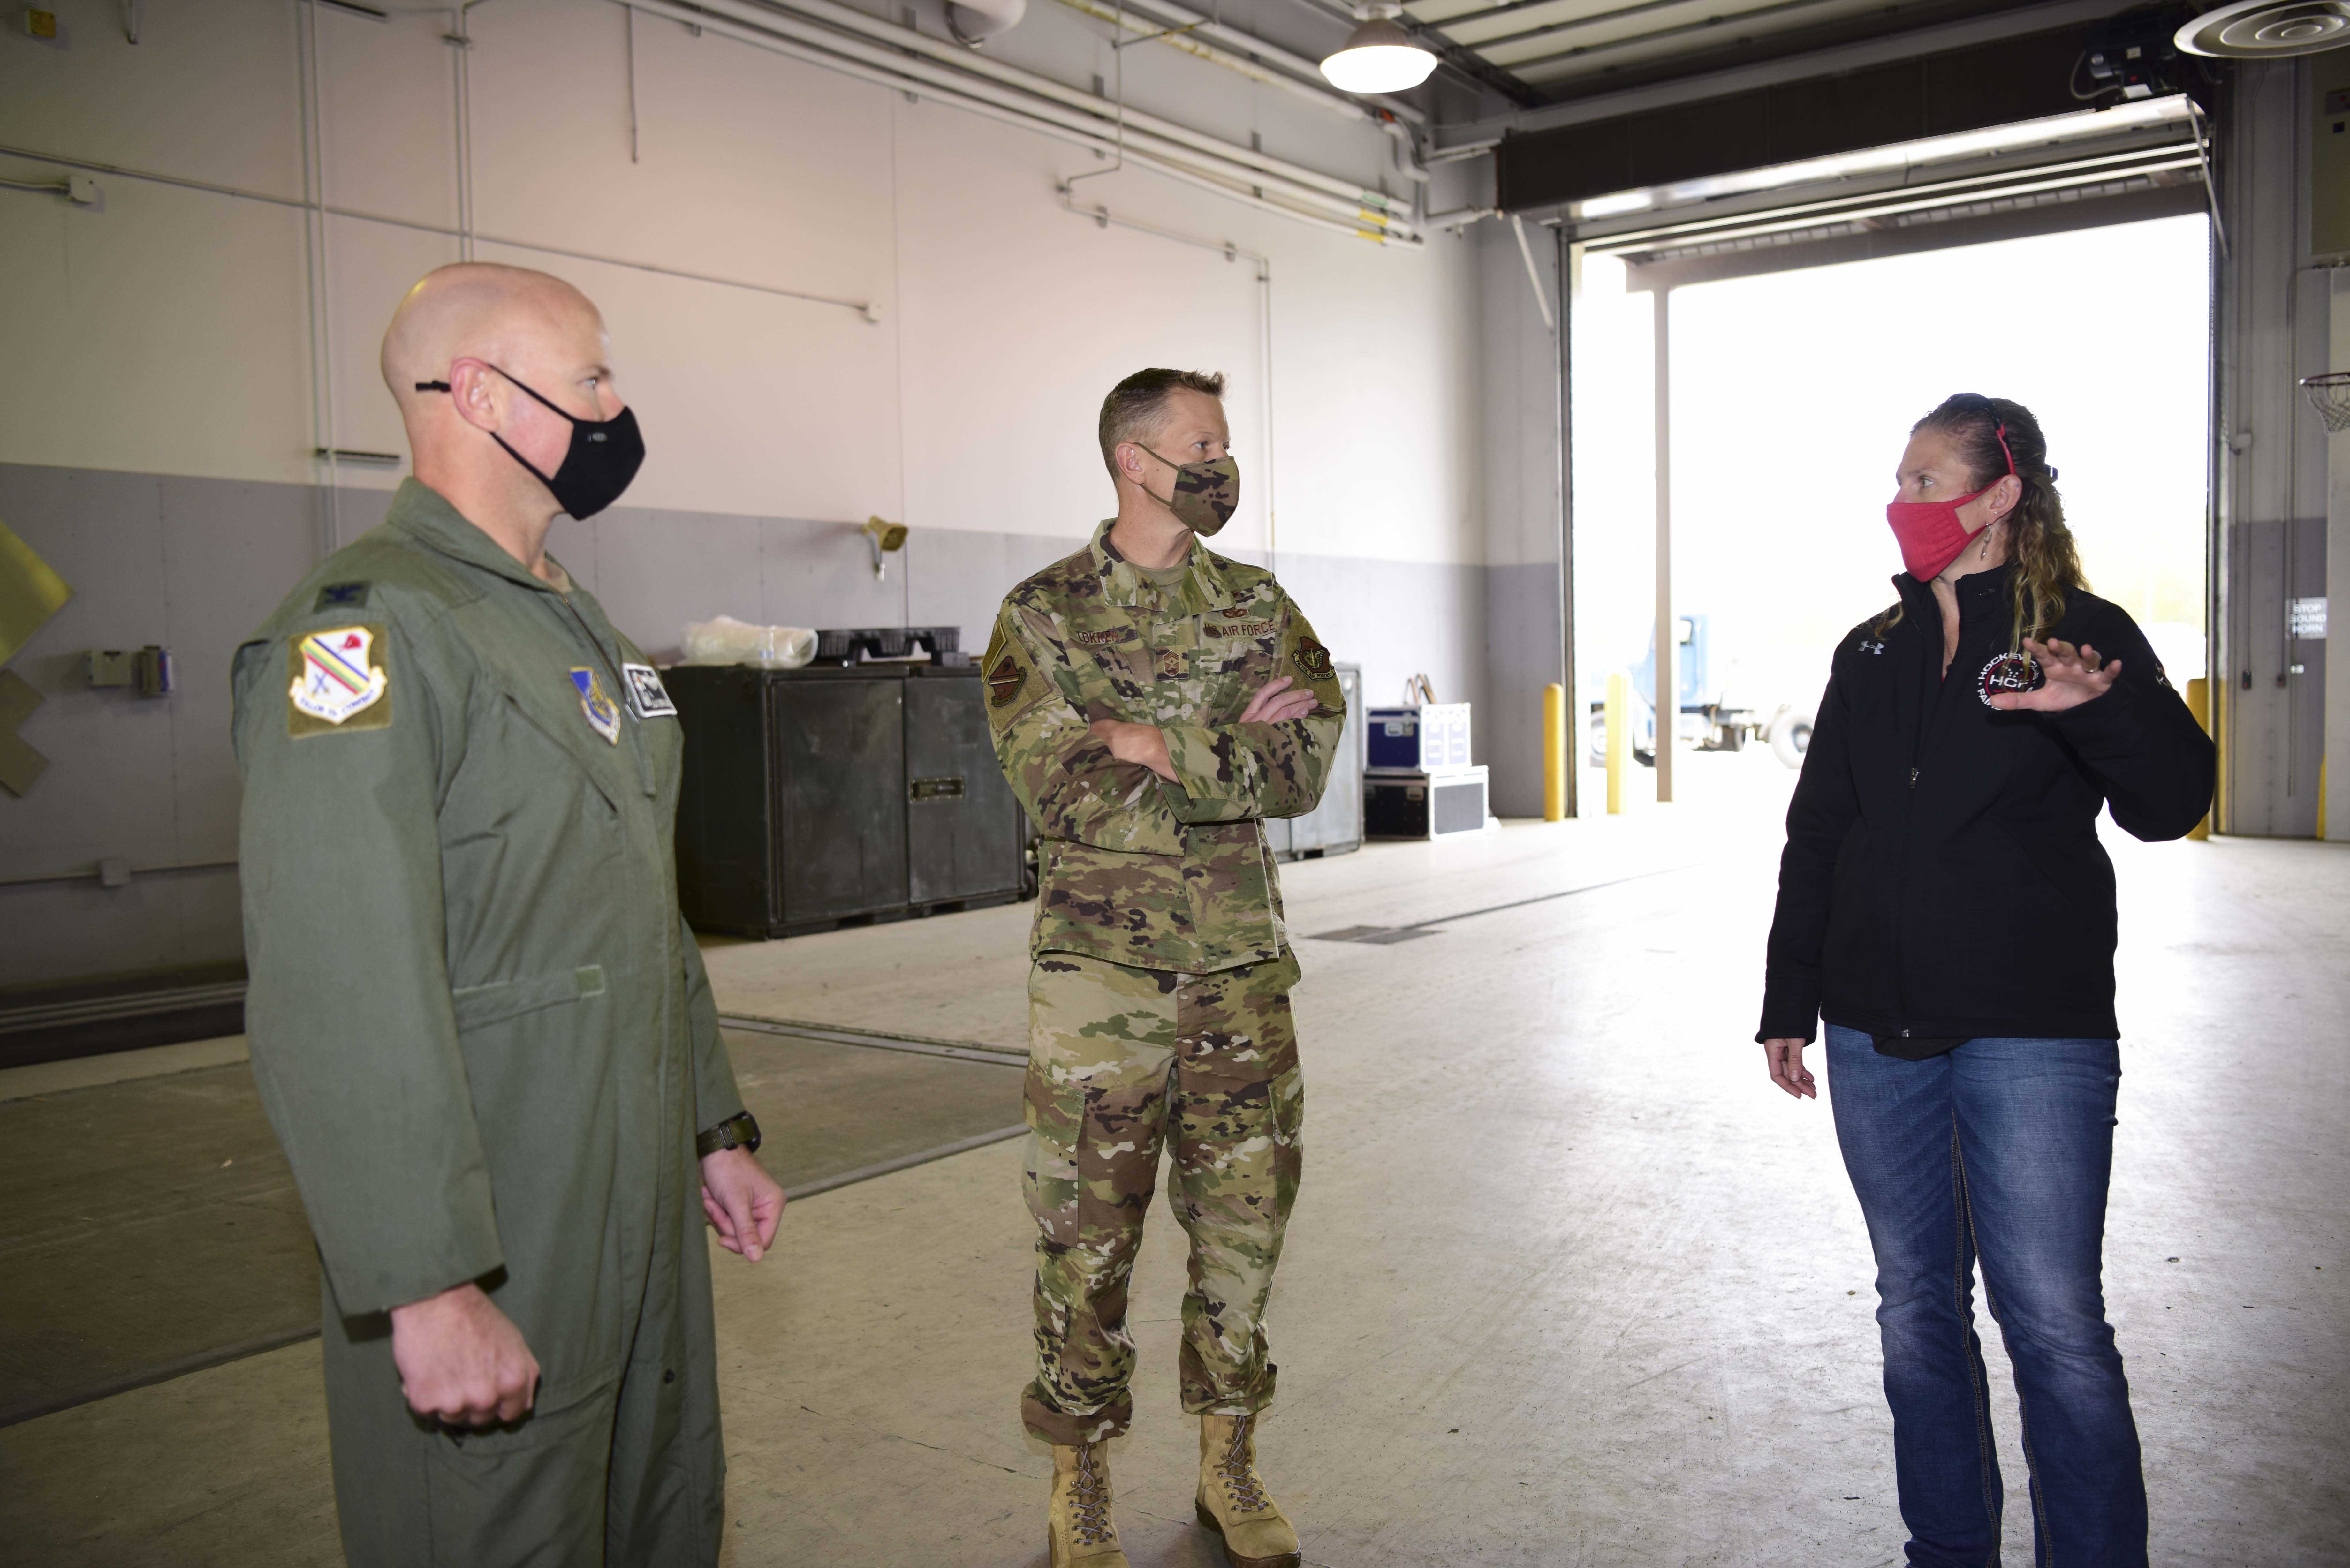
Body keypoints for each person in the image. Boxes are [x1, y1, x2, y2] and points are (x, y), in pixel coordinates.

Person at [230, 262, 785, 1566]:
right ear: (477, 393)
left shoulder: (575, 623)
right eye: (590, 378)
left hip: (631, 1173)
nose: (615, 407)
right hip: (498, 1199)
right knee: (495, 1525)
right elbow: (336, 981)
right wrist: (424, 1280)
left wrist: (712, 1126)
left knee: (650, 1498)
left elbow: (642, 903)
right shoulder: (364, 635)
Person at [1757, 393, 2214, 1567]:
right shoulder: (1873, 649)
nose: (1901, 505)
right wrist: (1789, 1000)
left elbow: (2170, 806)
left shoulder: (2083, 631)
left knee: (2054, 1324)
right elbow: (1822, 832)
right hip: (1875, 1033)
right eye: (1901, 483)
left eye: (1924, 482)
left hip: (2031, 1034)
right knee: (1916, 1315)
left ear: (1998, 495)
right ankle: (1949, 1552)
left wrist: (2100, 712)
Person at [983, 368, 1345, 1568]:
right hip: (1100, 991)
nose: (1223, 465)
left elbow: (1303, 768)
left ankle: (1229, 1464)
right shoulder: (1038, 616)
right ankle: (1078, 1477)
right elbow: (1061, 784)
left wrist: (1154, 740)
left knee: (1244, 1230)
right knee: (1086, 1235)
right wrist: (1218, 751)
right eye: (1203, 445)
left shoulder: (1257, 603)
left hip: (1240, 976)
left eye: (1224, 445)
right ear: (1136, 461)